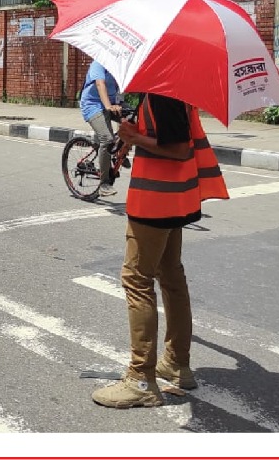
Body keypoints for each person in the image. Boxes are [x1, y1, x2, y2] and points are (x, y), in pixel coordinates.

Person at [91, 92, 229, 410]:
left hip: (155, 202)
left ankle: (141, 379)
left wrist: (137, 137)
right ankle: (177, 364)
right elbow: (167, 136)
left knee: (137, 279)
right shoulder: (170, 93)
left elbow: (180, 149)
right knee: (171, 276)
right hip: (174, 198)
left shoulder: (163, 94)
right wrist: (134, 136)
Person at [79, 56, 124, 197]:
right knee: (107, 139)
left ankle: (119, 153)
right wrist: (108, 106)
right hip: (92, 105)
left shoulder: (119, 67)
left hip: (111, 103)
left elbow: (121, 87)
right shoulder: (99, 63)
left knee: (133, 120)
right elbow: (100, 84)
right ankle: (104, 184)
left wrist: (121, 105)